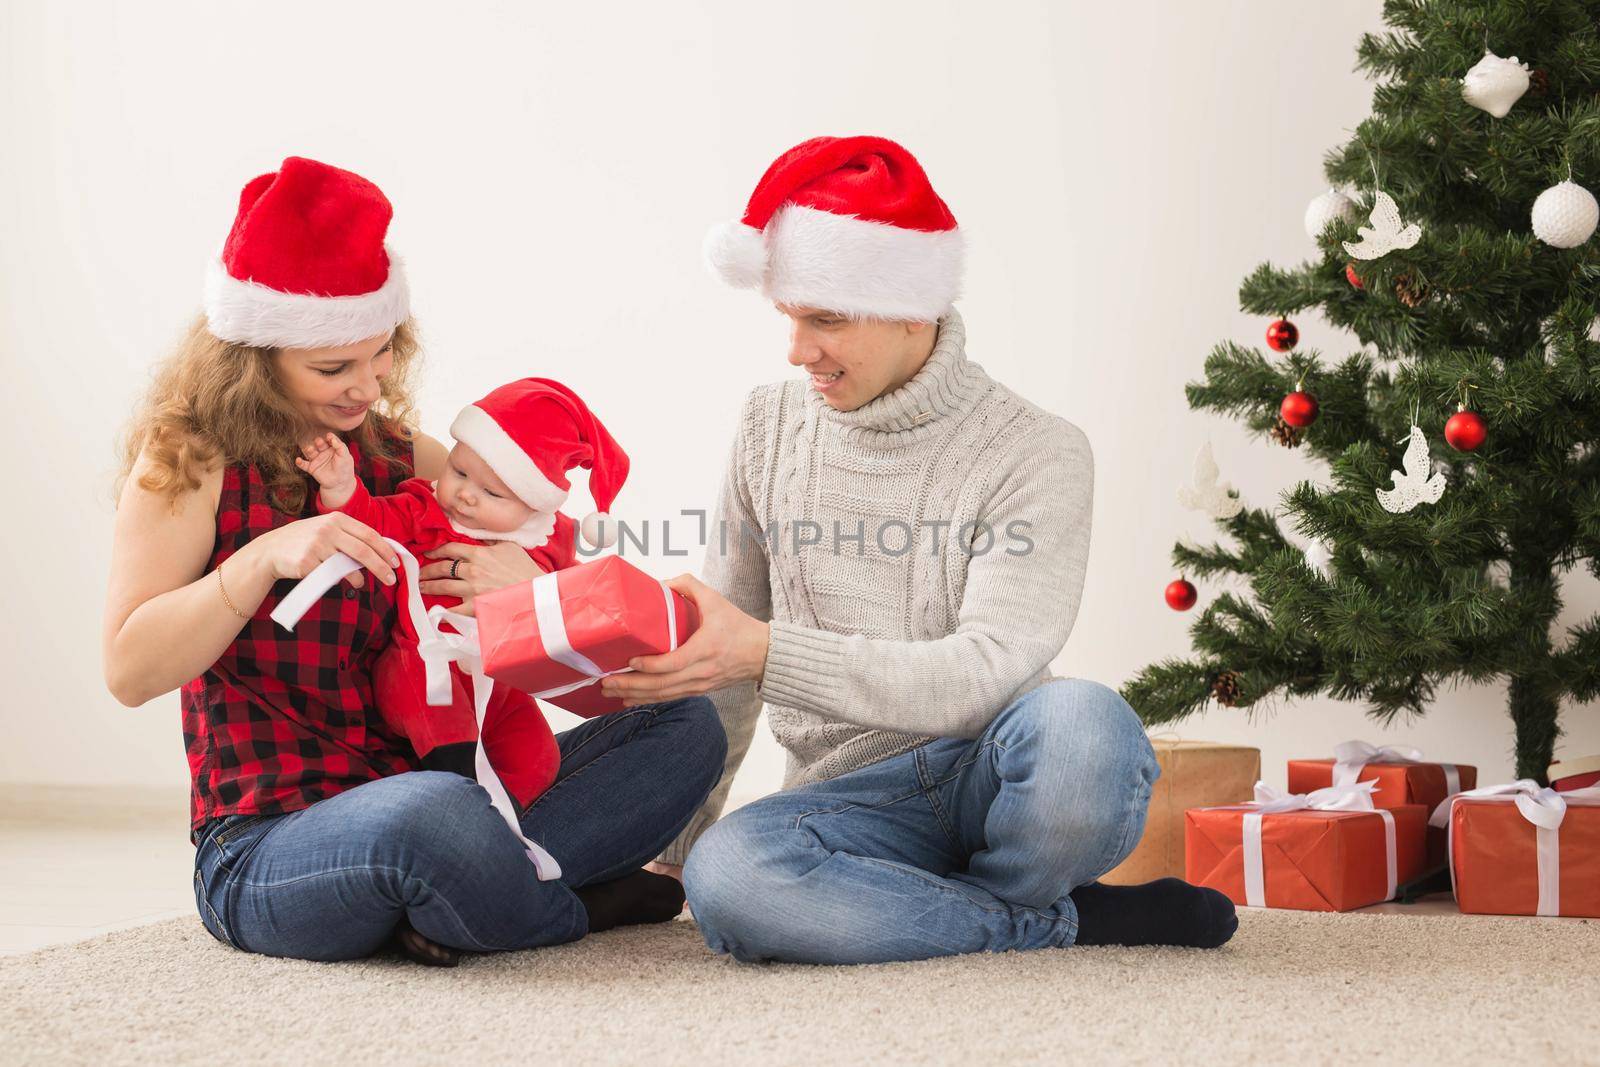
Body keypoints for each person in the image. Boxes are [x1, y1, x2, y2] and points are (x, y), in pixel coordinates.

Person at [600, 135, 1238, 964]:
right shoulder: (768, 428)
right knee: (736, 878)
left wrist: (766, 651)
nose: (797, 351)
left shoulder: (1038, 450)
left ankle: (949, 905)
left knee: (1087, 729)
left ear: (913, 309)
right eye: (789, 318)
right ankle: (1061, 920)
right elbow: (713, 664)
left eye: (825, 319)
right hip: (845, 803)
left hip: (994, 773)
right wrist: (677, 854)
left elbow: (983, 674)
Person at [102, 156, 724, 966]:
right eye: (334, 368)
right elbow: (128, 670)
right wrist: (254, 563)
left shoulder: (403, 458)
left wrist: (535, 587)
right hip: (272, 843)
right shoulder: (189, 460)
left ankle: (475, 897)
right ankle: (566, 905)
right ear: (255, 358)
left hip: (454, 799)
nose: (368, 386)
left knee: (685, 722)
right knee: (429, 816)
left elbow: (551, 570)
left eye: (381, 354)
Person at [293, 376, 628, 822]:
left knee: (538, 758)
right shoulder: (424, 509)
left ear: (534, 505)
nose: (466, 493)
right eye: (459, 471)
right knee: (451, 744)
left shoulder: (549, 539)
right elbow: (369, 519)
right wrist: (340, 487)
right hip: (425, 667)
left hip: (502, 683)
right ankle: (461, 818)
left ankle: (501, 830)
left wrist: (543, 592)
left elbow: (577, 609)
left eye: (492, 492)